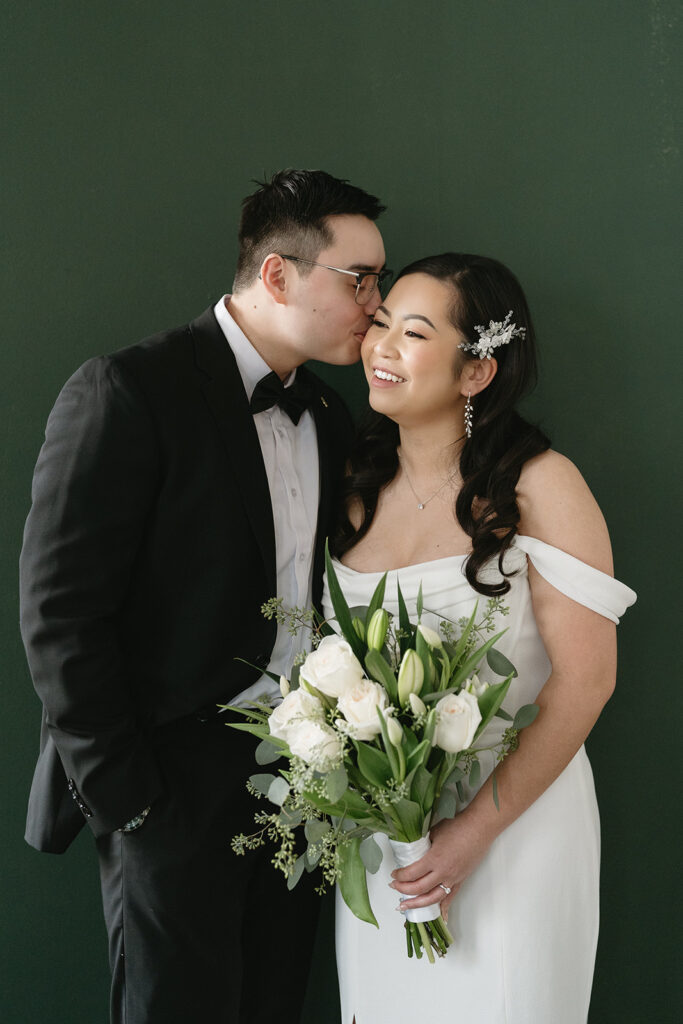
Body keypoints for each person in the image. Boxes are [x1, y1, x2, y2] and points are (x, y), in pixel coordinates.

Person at [19, 168, 388, 1024]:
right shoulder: (128, 390)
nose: (375, 301)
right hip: (167, 788)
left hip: (302, 786)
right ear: (277, 275)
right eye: (358, 278)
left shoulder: (331, 417)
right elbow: (60, 613)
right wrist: (132, 801)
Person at [325, 253, 636, 1024]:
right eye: (382, 322)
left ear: (475, 373)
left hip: (516, 825)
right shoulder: (350, 488)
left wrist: (474, 831)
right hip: (384, 842)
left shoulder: (539, 484)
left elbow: (586, 679)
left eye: (415, 333)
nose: (381, 345)